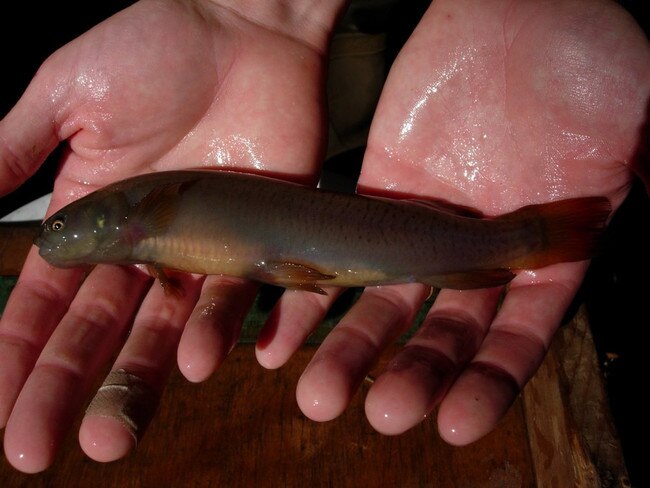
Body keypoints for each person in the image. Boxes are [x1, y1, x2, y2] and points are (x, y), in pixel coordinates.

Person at [0, 0, 648, 474]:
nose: (55, 238)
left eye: (61, 227)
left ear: (115, 217)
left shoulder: (147, 205)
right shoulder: (146, 219)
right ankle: (518, 242)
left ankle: (523, 240)